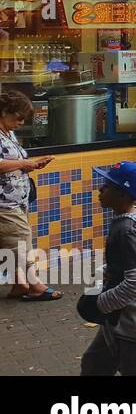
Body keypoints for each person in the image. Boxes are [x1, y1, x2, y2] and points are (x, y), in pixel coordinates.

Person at [77, 162, 136, 376]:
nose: (100, 189)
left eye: (107, 186)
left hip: (133, 315)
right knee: (95, 365)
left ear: (123, 195)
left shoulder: (126, 230)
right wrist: (108, 270)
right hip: (120, 312)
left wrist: (102, 304)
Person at [0, 91, 58, 300]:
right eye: (18, 117)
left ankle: (19, 284)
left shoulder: (7, 132)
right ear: (5, 112)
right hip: (4, 202)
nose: (21, 122)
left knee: (10, 242)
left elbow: (13, 162)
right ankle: (35, 286)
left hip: (15, 198)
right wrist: (24, 164)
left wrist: (30, 165)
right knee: (20, 241)